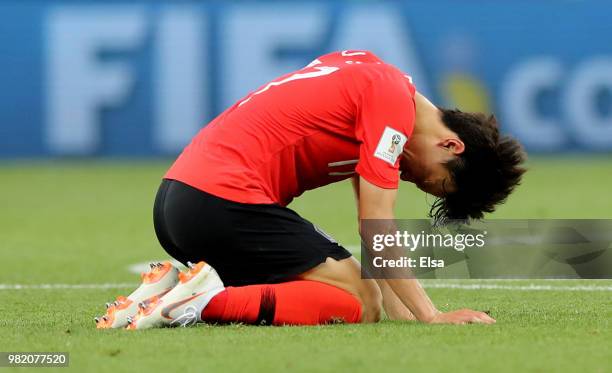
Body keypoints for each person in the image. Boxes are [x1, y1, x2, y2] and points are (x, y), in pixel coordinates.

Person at [96, 50, 525, 329]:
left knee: (358, 293)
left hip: (180, 200)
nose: (415, 182)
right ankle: (196, 302)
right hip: (223, 202)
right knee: (358, 300)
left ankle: (166, 292)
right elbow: (377, 223)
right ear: (451, 145)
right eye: (434, 181)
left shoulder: (368, 74)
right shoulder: (391, 102)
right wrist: (432, 316)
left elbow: (368, 229)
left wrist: (403, 310)